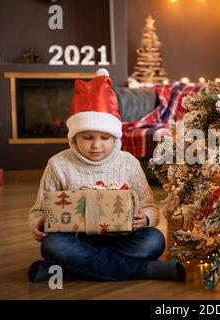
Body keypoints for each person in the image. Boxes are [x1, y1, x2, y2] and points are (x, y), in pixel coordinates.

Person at [28, 69, 185, 283]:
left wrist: (145, 218)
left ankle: (66, 271)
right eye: (88, 137)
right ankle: (144, 270)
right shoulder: (58, 164)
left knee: (154, 239)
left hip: (122, 237)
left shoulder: (128, 163)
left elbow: (152, 209)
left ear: (115, 137)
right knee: (53, 245)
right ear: (75, 137)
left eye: (104, 137)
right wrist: (38, 223)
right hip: (77, 239)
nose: (96, 145)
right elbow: (39, 210)